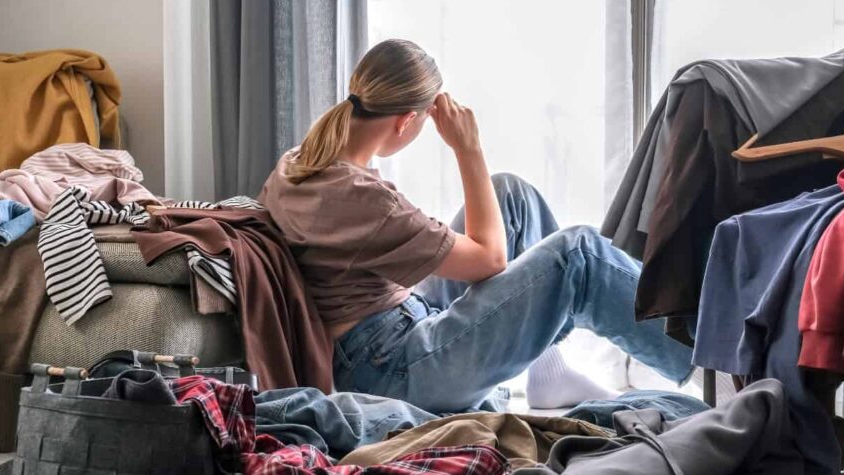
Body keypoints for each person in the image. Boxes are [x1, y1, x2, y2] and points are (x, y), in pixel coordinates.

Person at [259, 39, 693, 414]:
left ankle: (549, 373)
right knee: (578, 254)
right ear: (406, 121)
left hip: (387, 333)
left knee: (510, 196)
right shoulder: (366, 199)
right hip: (394, 371)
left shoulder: (298, 163)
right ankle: (710, 366)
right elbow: (490, 260)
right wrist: (468, 149)